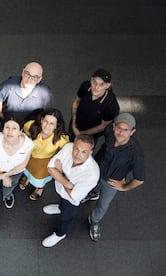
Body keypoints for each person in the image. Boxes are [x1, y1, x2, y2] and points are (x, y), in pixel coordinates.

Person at [87, 113, 145, 241]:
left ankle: (94, 221)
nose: (121, 133)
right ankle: (92, 194)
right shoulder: (110, 132)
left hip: (112, 182)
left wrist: (124, 187)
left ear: (132, 132)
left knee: (103, 204)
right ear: (113, 127)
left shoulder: (136, 153)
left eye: (126, 130)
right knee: (92, 187)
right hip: (96, 171)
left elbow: (139, 179)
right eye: (119, 128)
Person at [41, 135, 100, 247]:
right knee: (62, 200)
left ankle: (60, 234)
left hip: (71, 200)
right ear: (73, 145)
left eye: (83, 152)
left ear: (90, 152)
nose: (77, 155)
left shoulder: (92, 174)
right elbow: (50, 168)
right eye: (76, 149)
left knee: (66, 217)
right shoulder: (68, 147)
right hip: (61, 190)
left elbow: (74, 195)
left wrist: (60, 173)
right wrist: (68, 183)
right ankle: (60, 208)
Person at [19, 108, 70, 200]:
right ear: (41, 120)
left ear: (56, 126)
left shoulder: (62, 138)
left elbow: (66, 153)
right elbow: (22, 135)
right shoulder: (30, 125)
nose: (47, 126)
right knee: (26, 170)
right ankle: (27, 178)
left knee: (39, 179)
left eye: (51, 124)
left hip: (45, 160)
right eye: (46, 121)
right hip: (29, 156)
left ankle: (40, 187)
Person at [0, 116, 34, 209]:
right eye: (7, 127)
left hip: (15, 172)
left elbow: (23, 164)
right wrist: (3, 176)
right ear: (3, 129)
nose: (10, 132)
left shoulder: (29, 144)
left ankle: (7, 195)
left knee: (10, 185)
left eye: (14, 128)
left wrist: (5, 176)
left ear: (20, 131)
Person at [0, 62, 53, 126]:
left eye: (34, 77)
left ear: (39, 79)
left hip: (32, 131)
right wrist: (5, 122)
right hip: (9, 127)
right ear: (23, 72)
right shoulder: (8, 85)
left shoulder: (45, 93)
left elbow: (47, 116)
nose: (29, 79)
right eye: (27, 74)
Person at [70, 69, 120, 143]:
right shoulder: (85, 86)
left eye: (101, 84)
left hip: (91, 134)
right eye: (94, 82)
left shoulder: (111, 105)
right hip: (75, 124)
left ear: (107, 85)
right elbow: (76, 102)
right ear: (91, 80)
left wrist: (81, 133)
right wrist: (73, 123)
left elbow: (102, 126)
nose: (96, 87)